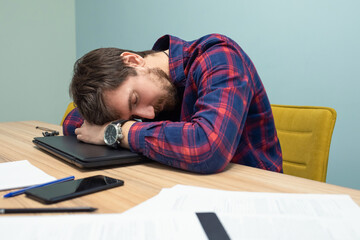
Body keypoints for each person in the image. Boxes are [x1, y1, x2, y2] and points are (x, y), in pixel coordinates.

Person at [63, 33, 283, 174]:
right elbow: (72, 123)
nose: (147, 115)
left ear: (133, 61)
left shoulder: (218, 57)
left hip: (256, 197)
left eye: (135, 100)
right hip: (193, 189)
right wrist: (112, 124)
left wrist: (118, 131)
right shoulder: (145, 83)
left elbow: (207, 147)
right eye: (131, 114)